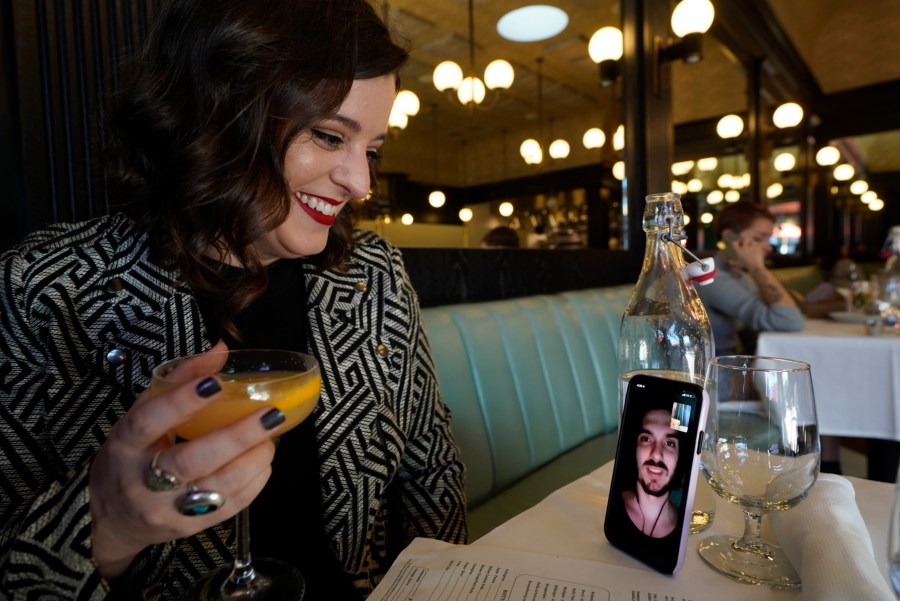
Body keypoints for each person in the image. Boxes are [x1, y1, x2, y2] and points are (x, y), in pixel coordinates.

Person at [0, 1, 467, 599]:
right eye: (328, 136)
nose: (361, 184)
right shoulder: (46, 287)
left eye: (371, 150)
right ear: (217, 114)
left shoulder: (373, 272)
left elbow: (431, 473)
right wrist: (108, 525)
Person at [695, 201, 805, 356]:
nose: (768, 247)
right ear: (729, 237)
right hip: (710, 370)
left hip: (732, 361)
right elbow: (790, 321)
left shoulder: (741, 276)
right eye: (759, 238)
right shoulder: (711, 277)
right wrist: (757, 267)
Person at [620, 404, 687, 539]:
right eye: (646, 439)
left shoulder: (685, 528)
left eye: (670, 443)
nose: (656, 455)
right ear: (633, 449)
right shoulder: (613, 507)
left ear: (681, 456)